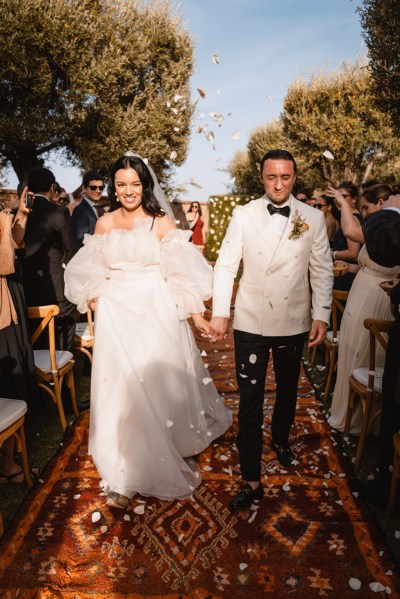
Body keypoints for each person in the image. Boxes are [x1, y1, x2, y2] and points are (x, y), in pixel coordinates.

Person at [64, 154, 232, 509]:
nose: (128, 191)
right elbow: (91, 269)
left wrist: (197, 317)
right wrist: (95, 296)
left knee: (152, 381)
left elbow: (179, 274)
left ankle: (163, 444)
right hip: (117, 312)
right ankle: (125, 471)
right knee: (123, 385)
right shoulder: (105, 224)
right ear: (114, 187)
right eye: (121, 184)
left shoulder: (161, 224)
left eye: (135, 184)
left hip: (154, 310)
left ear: (145, 185)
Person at [210, 148, 333, 509]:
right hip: (251, 321)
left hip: (293, 320)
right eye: (271, 177)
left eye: (285, 177)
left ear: (294, 178)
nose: (278, 184)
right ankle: (251, 479)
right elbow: (226, 265)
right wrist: (220, 312)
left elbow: (322, 269)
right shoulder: (243, 214)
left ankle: (280, 438)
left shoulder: (312, 216)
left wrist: (321, 314)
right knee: (250, 401)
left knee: (288, 389)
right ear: (261, 178)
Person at [327, 184, 400, 433]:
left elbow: (349, 230)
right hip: (361, 290)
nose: (365, 213)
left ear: (382, 204)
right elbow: (371, 266)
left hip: (376, 298)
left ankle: (362, 420)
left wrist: (343, 202)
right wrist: (351, 269)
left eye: (368, 208)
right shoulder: (382, 228)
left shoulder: (391, 229)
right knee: (350, 349)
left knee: (364, 352)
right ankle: (345, 410)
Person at [354, 191, 400, 505]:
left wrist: (394, 209)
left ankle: (387, 483)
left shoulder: (391, 221)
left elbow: (382, 243)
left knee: (394, 406)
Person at [0, 195, 38, 485]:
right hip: (2, 310)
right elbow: (5, 264)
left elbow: (16, 244)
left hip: (11, 301)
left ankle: (9, 459)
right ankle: (9, 466)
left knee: (14, 379)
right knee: (9, 381)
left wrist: (21, 215)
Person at [21, 167, 79, 351]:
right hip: (57, 288)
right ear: (53, 187)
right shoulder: (58, 212)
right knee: (60, 342)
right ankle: (59, 374)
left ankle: (40, 375)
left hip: (25, 287)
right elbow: (72, 250)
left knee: (33, 340)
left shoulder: (18, 215)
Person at [331, 181, 361, 292]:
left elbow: (353, 253)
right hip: (343, 271)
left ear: (354, 199)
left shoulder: (353, 219)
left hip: (347, 275)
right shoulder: (347, 217)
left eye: (342, 196)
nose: (338, 200)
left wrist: (332, 254)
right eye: (336, 197)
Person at [72, 171, 106, 245]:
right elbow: (80, 239)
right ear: (84, 188)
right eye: (93, 188)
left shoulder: (102, 210)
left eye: (101, 188)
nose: (98, 191)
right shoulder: (79, 210)